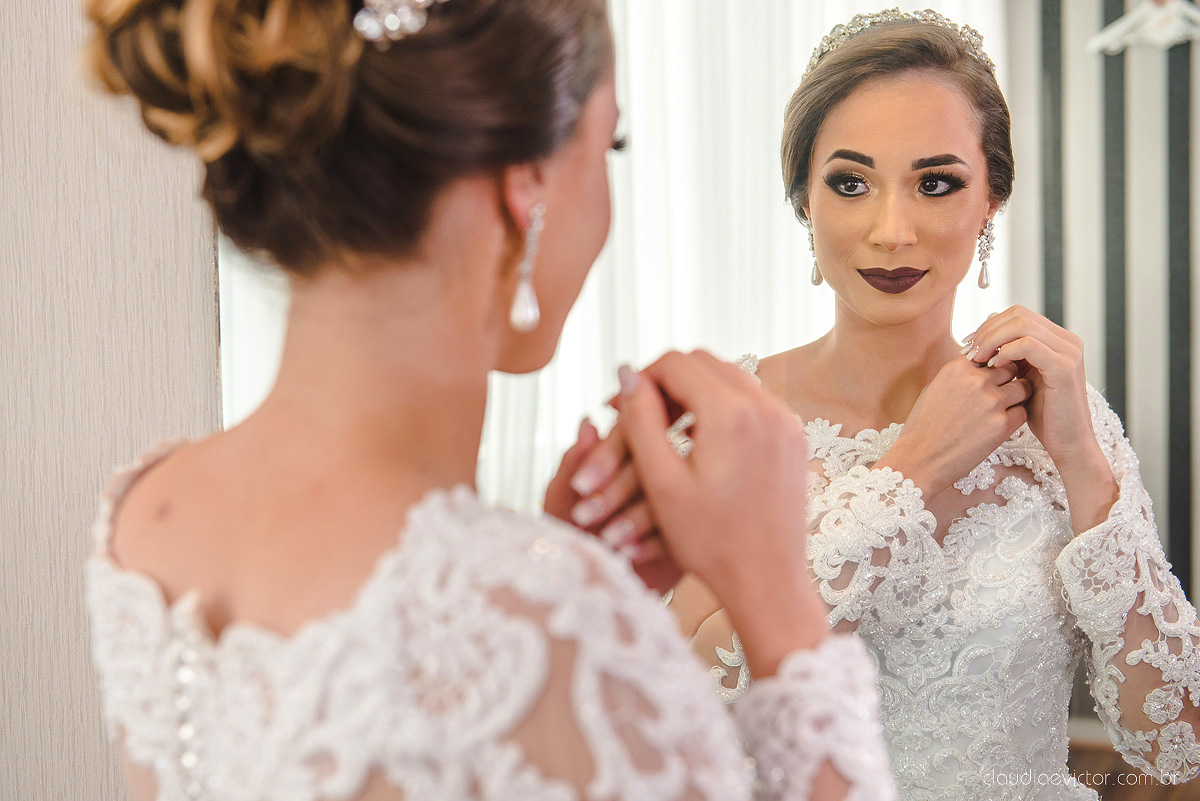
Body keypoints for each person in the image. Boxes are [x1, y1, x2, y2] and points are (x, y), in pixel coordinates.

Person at [81, 1, 896, 800]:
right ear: (526, 191)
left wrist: (550, 565)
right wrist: (777, 595)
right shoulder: (546, 627)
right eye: (608, 144)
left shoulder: (147, 513)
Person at [579, 8, 1200, 800]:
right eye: (850, 182)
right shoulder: (726, 417)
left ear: (991, 203)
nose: (891, 230)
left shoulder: (1067, 428)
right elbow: (683, 710)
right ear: (806, 201)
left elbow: (1176, 739)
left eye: (935, 182)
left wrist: (1084, 464)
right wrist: (909, 472)